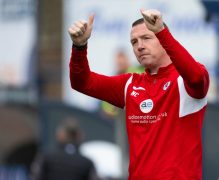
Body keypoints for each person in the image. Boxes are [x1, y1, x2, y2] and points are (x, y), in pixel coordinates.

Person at [68, 9, 210, 180]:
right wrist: (79, 47)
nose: (139, 46)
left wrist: (161, 32)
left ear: (163, 38)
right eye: (134, 42)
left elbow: (196, 77)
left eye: (147, 38)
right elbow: (81, 82)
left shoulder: (185, 80)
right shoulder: (130, 84)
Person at [30, 118, 100, 180]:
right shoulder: (87, 163)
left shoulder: (47, 158)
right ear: (79, 136)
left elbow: (36, 177)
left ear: (60, 135)